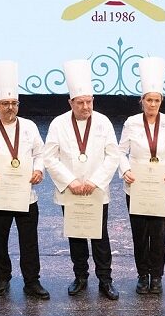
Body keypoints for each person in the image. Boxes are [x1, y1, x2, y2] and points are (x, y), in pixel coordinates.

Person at [0, 60, 50, 299]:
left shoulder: (30, 127)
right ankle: (2, 279)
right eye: (5, 103)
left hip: (26, 194)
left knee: (29, 241)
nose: (10, 108)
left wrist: (39, 170)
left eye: (13, 103)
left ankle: (32, 281)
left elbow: (40, 154)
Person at [44, 58, 121, 301]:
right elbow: (49, 157)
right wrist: (71, 181)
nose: (86, 107)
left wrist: (95, 181)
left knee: (100, 236)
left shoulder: (104, 122)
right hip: (71, 191)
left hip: (96, 190)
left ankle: (105, 279)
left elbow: (113, 155)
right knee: (76, 235)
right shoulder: (58, 124)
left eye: (89, 102)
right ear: (71, 103)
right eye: (80, 102)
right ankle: (80, 276)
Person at [118, 56, 165, 296]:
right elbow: (121, 151)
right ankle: (142, 275)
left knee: (158, 233)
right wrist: (125, 170)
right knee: (139, 233)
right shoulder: (131, 123)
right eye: (149, 100)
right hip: (136, 187)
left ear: (161, 101)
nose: (152, 104)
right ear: (142, 101)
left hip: (162, 187)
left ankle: (157, 276)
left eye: (156, 100)